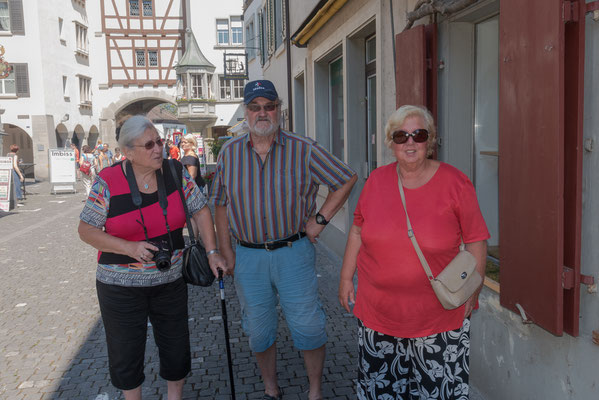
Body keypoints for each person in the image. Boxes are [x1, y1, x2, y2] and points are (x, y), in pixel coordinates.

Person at [211, 80, 357, 400]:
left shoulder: (303, 148)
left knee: (308, 326)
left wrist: (319, 222)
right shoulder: (229, 153)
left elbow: (345, 178)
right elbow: (219, 204)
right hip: (248, 256)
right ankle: (270, 386)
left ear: (279, 109)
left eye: (269, 106)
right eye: (255, 107)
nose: (263, 113)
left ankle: (315, 391)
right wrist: (224, 250)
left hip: (294, 251)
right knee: (259, 330)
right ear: (246, 111)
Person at [338, 105, 489, 400]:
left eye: (418, 135)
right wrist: (345, 278)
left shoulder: (455, 183)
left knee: (439, 394)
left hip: (439, 318)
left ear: (429, 141)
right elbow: (357, 229)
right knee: (382, 393)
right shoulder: (376, 181)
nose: (410, 142)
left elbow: (476, 240)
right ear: (390, 142)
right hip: (379, 316)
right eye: (401, 135)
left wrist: (475, 287)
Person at [78, 115, 228, 400]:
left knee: (176, 347)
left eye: (159, 141)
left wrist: (212, 252)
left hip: (170, 280)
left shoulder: (174, 172)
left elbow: (201, 210)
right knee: (126, 351)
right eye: (149, 145)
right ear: (128, 152)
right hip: (119, 287)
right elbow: (86, 230)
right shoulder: (108, 180)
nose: (158, 149)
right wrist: (129, 248)